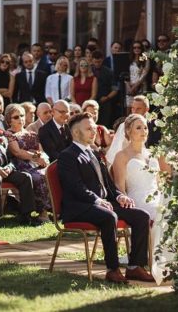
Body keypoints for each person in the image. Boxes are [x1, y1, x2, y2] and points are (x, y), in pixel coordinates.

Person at [56, 112, 155, 284]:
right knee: (110, 216)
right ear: (76, 133)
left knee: (141, 216)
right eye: (88, 129)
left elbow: (109, 186)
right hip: (80, 208)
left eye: (94, 128)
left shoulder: (94, 154)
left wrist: (119, 197)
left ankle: (135, 267)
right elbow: (75, 186)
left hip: (102, 205)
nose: (94, 132)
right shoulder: (67, 155)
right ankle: (113, 269)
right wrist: (97, 200)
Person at [110, 113, 171, 282]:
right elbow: (119, 188)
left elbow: (159, 183)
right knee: (160, 214)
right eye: (138, 127)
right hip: (137, 199)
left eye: (145, 127)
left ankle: (171, 262)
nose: (144, 131)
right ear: (128, 131)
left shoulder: (152, 154)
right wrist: (125, 202)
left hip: (155, 196)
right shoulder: (121, 156)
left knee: (172, 209)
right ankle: (157, 264)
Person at [3, 103, 50, 220]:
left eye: (22, 115)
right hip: (20, 166)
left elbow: (41, 151)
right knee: (39, 177)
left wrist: (44, 158)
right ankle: (42, 212)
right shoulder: (8, 134)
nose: (20, 119)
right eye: (16, 117)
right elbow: (17, 152)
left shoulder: (32, 134)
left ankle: (55, 209)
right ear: (9, 120)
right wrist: (36, 157)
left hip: (36, 164)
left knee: (53, 174)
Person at [106, 95, 152, 167]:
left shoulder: (155, 125)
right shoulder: (124, 126)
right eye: (133, 108)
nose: (134, 111)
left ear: (146, 109)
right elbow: (117, 150)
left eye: (138, 109)